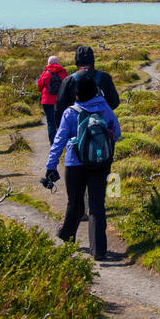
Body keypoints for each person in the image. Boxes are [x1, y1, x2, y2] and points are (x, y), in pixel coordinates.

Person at [42, 72, 121, 261]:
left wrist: (51, 166)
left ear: (76, 94)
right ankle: (99, 250)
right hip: (100, 163)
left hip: (75, 163)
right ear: (95, 91)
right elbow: (116, 133)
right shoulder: (105, 109)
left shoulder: (70, 112)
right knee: (97, 205)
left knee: (75, 203)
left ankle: (67, 236)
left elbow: (59, 141)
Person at [53, 45, 119, 126]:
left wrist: (59, 126)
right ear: (92, 59)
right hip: (102, 126)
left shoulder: (69, 80)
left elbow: (59, 107)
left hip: (75, 127)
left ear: (77, 60)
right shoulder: (105, 78)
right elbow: (115, 102)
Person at [37, 55, 69, 144]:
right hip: (60, 101)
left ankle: (53, 144)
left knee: (51, 122)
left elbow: (39, 86)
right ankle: (62, 143)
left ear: (49, 63)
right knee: (62, 122)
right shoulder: (63, 72)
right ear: (58, 63)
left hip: (46, 101)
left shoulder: (45, 73)